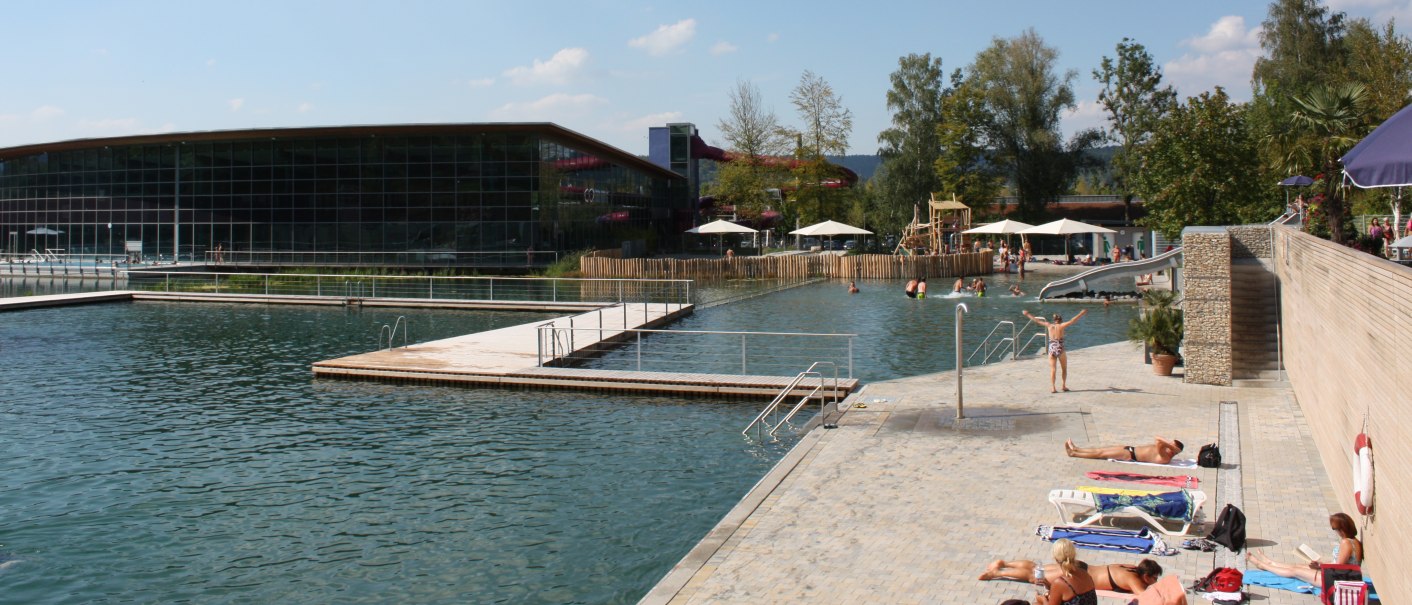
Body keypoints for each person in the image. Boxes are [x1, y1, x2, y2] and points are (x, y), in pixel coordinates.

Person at [1246, 512, 1363, 584]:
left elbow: (1338, 568)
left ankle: (1263, 565)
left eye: (1334, 529)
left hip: (1336, 580)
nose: (1335, 532)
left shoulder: (1346, 543)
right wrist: (1320, 564)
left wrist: (1320, 566)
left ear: (1342, 529)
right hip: (1346, 576)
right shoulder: (1355, 541)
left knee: (1295, 571)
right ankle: (1271, 562)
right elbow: (1341, 564)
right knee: (1299, 566)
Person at [979, 558, 1163, 595]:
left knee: (1037, 567)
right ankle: (996, 573)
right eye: (1154, 578)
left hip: (1081, 566)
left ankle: (1004, 563)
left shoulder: (1131, 568)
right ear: (1146, 576)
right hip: (1078, 575)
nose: (1155, 581)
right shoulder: (1134, 580)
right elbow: (1146, 596)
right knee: (1034, 576)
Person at [1023, 308, 1088, 392]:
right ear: (1060, 320)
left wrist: (1027, 314)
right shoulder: (1062, 325)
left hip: (1052, 349)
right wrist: (1081, 313)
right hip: (1060, 349)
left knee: (1053, 369)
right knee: (1064, 368)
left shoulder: (1049, 325)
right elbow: (1072, 320)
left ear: (1054, 320)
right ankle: (1063, 386)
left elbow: (1037, 321)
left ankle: (1053, 388)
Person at [1034, 539, 1097, 605]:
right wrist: (1050, 588)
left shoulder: (1060, 582)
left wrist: (1042, 599)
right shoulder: (1085, 574)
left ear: (1056, 558)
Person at [1064, 436, 1184, 464]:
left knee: (1100, 454)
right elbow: (1158, 439)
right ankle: (1077, 449)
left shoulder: (1165, 457)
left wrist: (1171, 447)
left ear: (1173, 451)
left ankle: (1073, 453)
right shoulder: (1166, 450)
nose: (1168, 444)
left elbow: (1158, 441)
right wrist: (1172, 446)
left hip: (1130, 455)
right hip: (1130, 448)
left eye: (1171, 445)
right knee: (1100, 450)